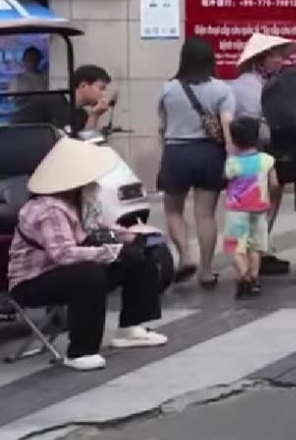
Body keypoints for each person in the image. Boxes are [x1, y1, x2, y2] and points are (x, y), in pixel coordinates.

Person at [7, 137, 167, 371]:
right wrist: (114, 252)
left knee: (142, 256)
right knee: (89, 276)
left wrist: (130, 238)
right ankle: (81, 350)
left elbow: (97, 230)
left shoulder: (75, 203)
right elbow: (63, 254)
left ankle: (130, 328)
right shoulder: (48, 209)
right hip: (33, 281)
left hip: (64, 270)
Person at [158, 37, 236, 288]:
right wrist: (232, 158)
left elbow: (161, 127)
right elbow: (227, 127)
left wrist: (166, 153)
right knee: (206, 215)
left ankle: (184, 256)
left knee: (173, 210)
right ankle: (206, 269)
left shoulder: (168, 88)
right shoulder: (221, 89)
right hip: (208, 154)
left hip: (176, 152)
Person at [231, 33, 294, 277]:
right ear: (260, 59)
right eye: (274, 56)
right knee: (258, 200)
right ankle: (253, 249)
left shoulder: (275, 81)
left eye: (281, 56)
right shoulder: (246, 84)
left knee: (272, 196)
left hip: (273, 146)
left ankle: (261, 246)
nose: (280, 61)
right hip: (254, 148)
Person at [222, 116, 276, 299]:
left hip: (237, 210)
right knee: (255, 246)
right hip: (259, 209)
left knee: (236, 247)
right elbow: (275, 184)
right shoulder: (267, 160)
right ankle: (254, 277)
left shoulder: (232, 163)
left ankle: (243, 275)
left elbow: (226, 177)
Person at [14, 63, 114, 137]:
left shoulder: (81, 116)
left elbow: (85, 144)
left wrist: (94, 115)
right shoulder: (51, 101)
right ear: (83, 86)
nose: (103, 94)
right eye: (101, 88)